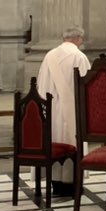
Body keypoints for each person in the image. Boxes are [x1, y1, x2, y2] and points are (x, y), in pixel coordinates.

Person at [36, 26, 91, 198]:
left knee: (54, 140)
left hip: (50, 110)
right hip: (72, 110)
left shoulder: (49, 56)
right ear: (78, 38)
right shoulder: (79, 57)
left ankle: (55, 184)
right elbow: (87, 87)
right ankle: (71, 184)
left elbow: (41, 84)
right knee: (70, 142)